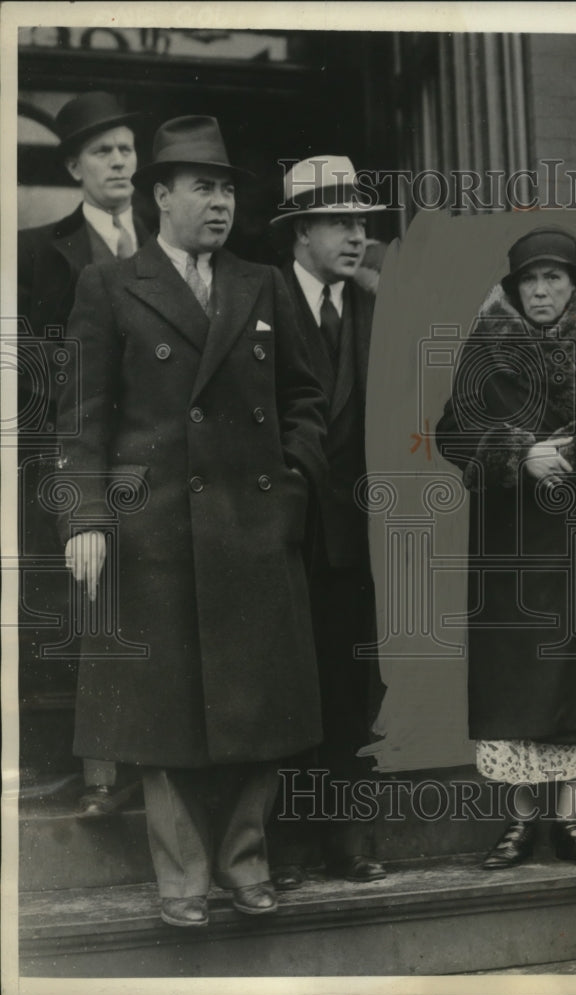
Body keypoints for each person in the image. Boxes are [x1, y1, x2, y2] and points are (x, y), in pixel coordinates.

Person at [55, 116, 328, 927]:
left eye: (228, 187)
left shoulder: (261, 282)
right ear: (161, 196)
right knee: (161, 718)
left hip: (254, 528)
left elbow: (306, 399)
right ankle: (181, 879)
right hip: (156, 538)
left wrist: (292, 486)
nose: (219, 202)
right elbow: (80, 420)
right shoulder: (110, 286)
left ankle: (246, 862)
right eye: (203, 186)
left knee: (264, 708)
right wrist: (86, 517)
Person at [436, 225, 576, 868]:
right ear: (514, 288)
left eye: (553, 278)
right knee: (519, 677)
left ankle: (573, 820)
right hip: (515, 544)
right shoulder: (486, 350)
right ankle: (520, 821)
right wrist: (519, 454)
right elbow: (452, 433)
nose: (541, 290)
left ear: (574, 285)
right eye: (530, 280)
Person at [18, 91, 150, 818]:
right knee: (94, 613)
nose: (118, 162)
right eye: (102, 151)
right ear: (73, 166)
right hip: (87, 464)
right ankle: (103, 776)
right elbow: (37, 374)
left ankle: (152, 765)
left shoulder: (171, 243)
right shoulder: (44, 252)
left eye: (126, 148)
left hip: (160, 464)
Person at [268, 156, 387, 886]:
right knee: (284, 693)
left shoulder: (376, 307)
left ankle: (344, 838)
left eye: (361, 225)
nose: (354, 237)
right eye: (340, 223)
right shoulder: (259, 294)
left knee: (351, 692)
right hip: (279, 536)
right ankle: (284, 843)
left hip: (357, 541)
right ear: (302, 229)